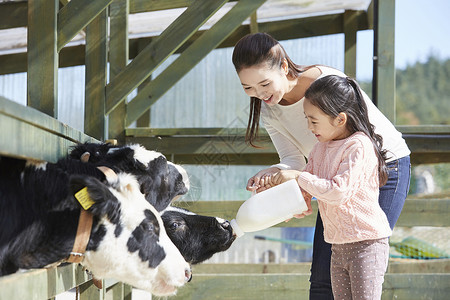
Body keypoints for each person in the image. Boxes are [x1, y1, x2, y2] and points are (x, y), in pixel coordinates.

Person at [232, 32, 411, 299]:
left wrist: (309, 185)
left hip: (382, 168)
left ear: (283, 66)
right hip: (333, 180)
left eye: (264, 84)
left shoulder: (324, 83)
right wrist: (275, 174)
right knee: (322, 279)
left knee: (363, 262)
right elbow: (294, 161)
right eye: (248, 88)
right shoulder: (270, 111)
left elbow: (360, 140)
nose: (259, 94)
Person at [269, 74, 392, 299]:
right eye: (307, 118)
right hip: (338, 246)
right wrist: (293, 203)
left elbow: (337, 192)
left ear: (340, 119)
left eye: (314, 120)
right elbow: (306, 186)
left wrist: (298, 177)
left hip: (367, 245)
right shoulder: (320, 148)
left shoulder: (359, 146)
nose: (308, 126)